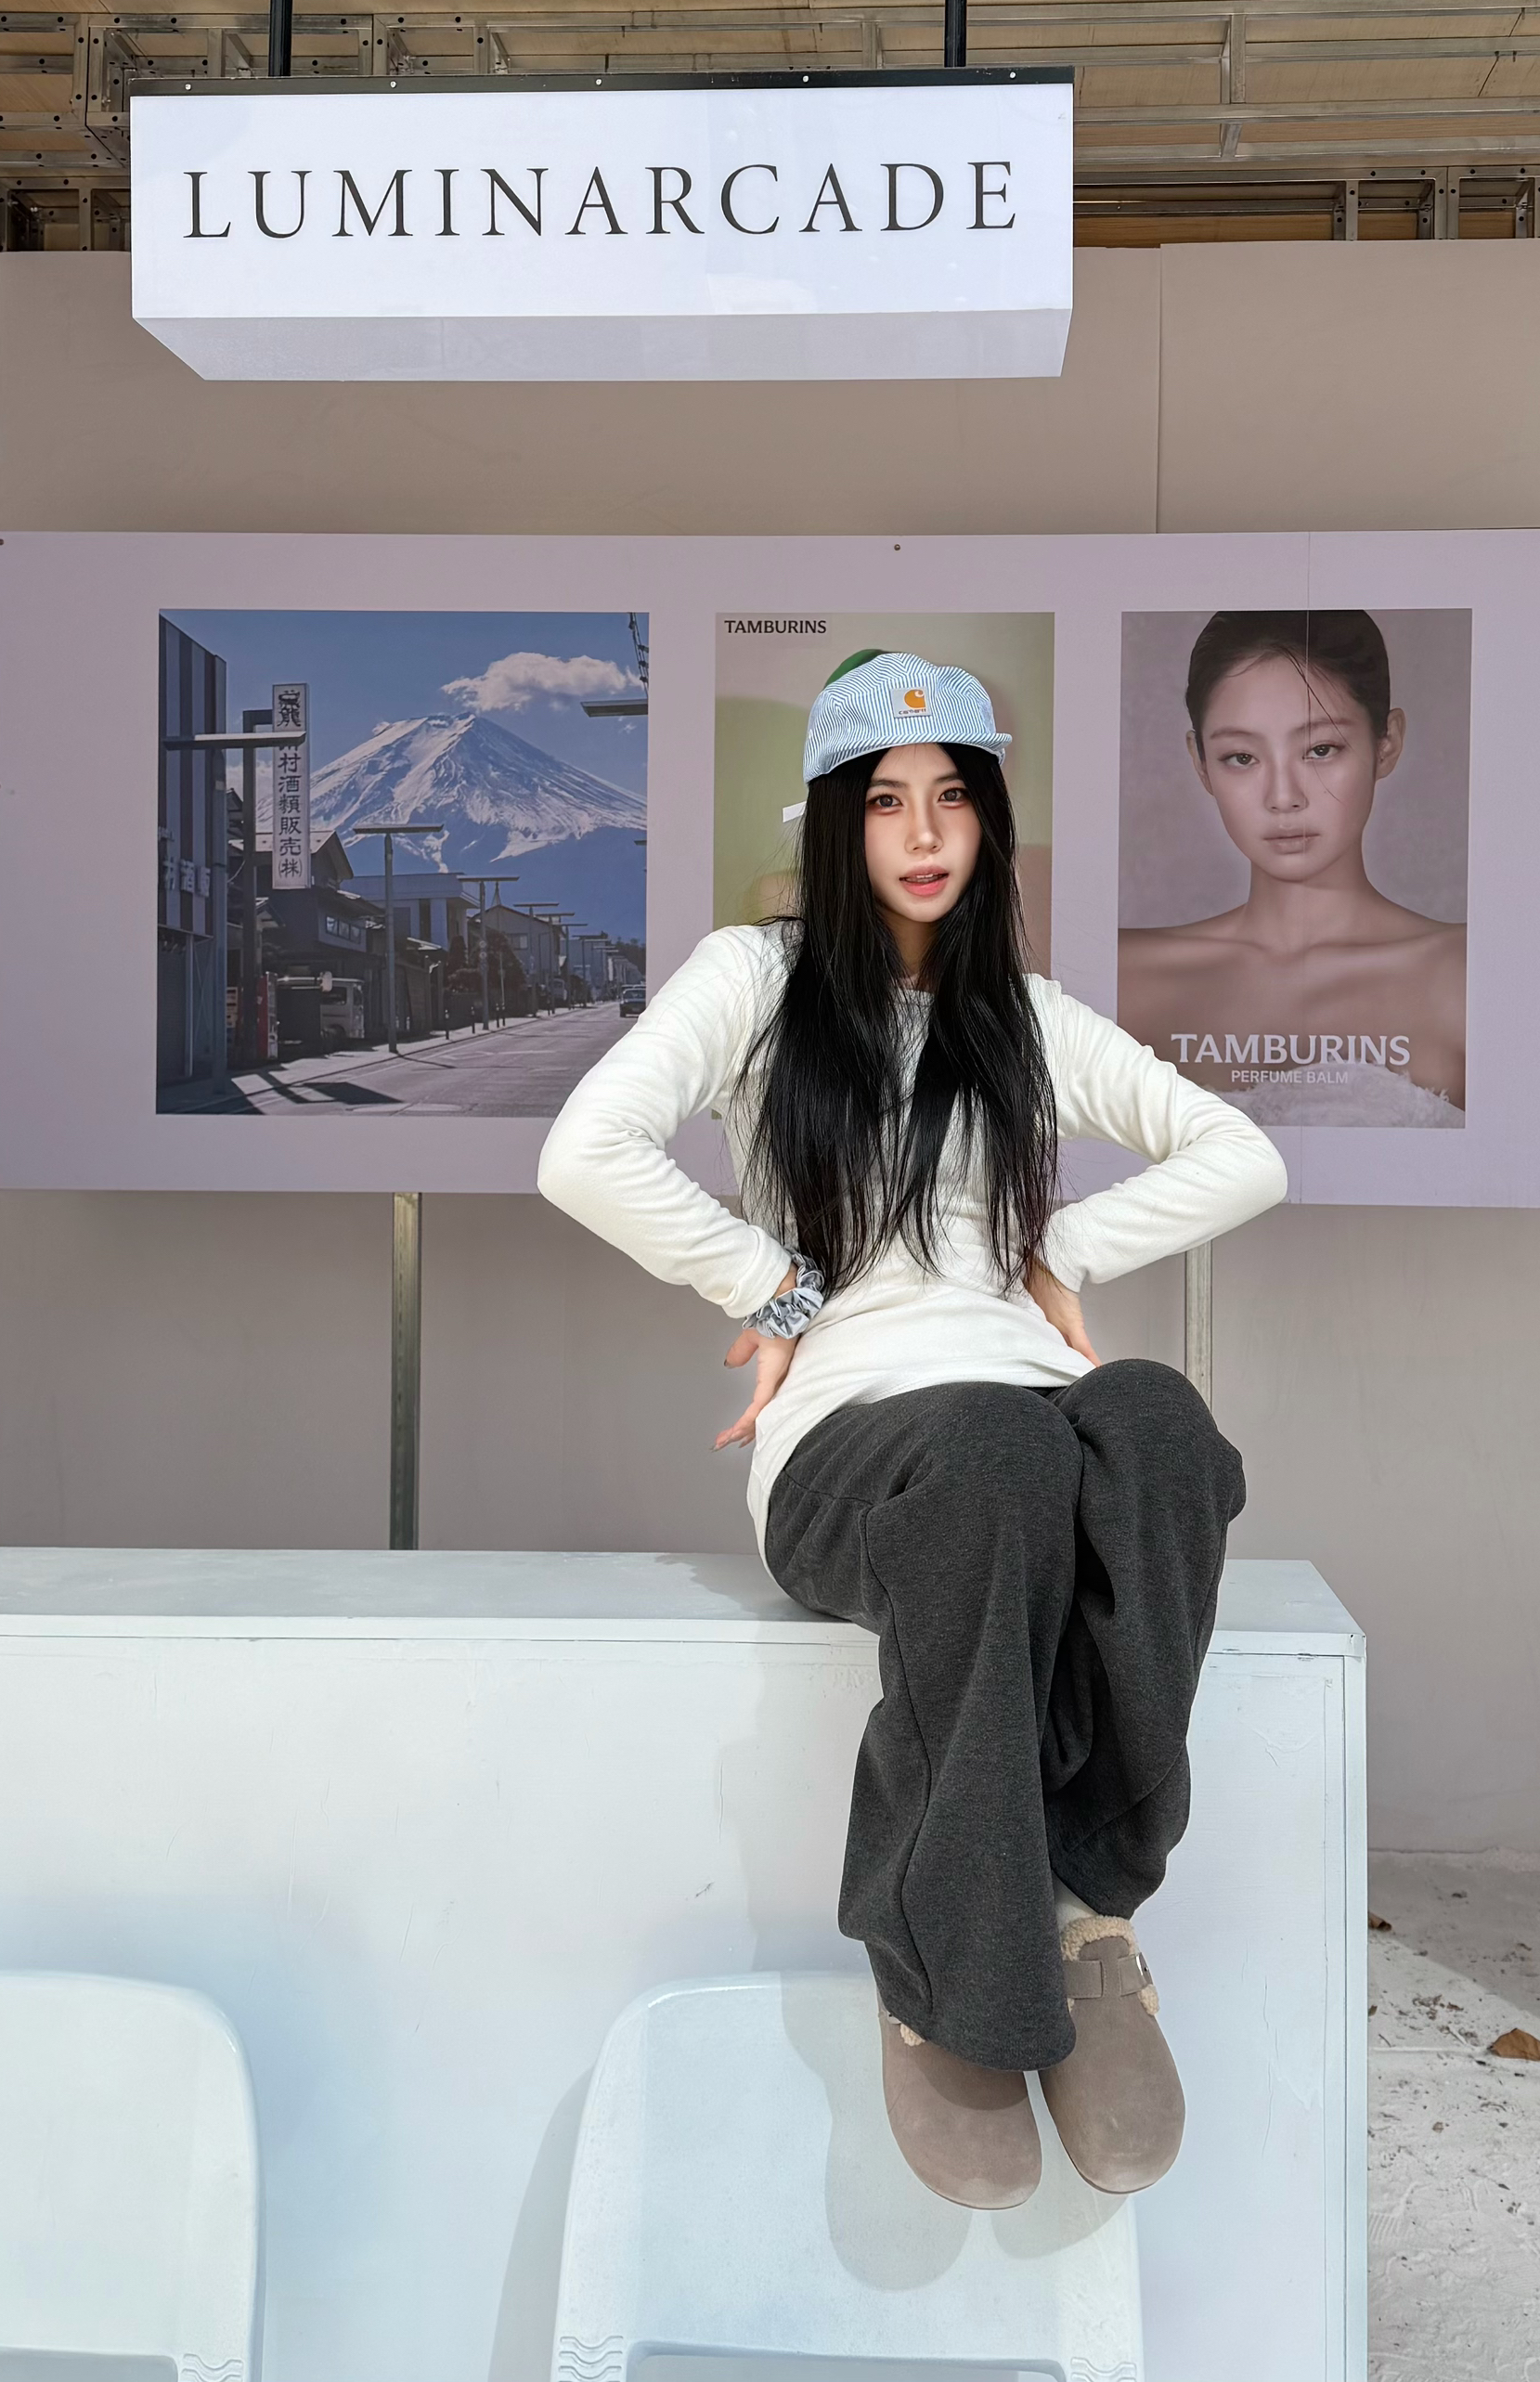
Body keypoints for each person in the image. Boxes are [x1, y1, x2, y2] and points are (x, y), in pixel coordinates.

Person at [537, 649, 1286, 2211]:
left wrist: (1058, 1250)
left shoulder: (1022, 1014)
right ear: (836, 818)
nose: (926, 831)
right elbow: (585, 1149)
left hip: (1019, 1404)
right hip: (856, 1437)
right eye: (887, 800)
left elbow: (1240, 1154)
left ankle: (1086, 1900)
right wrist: (765, 1282)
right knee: (994, 1452)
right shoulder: (753, 979)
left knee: (1157, 1420)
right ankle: (947, 1962)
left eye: (954, 795)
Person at [1119, 608, 1468, 1126]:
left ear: (1387, 742)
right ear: (1201, 762)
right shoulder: (1120, 975)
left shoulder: (1467, 975)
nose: (1283, 797)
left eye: (1320, 750)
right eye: (1241, 757)